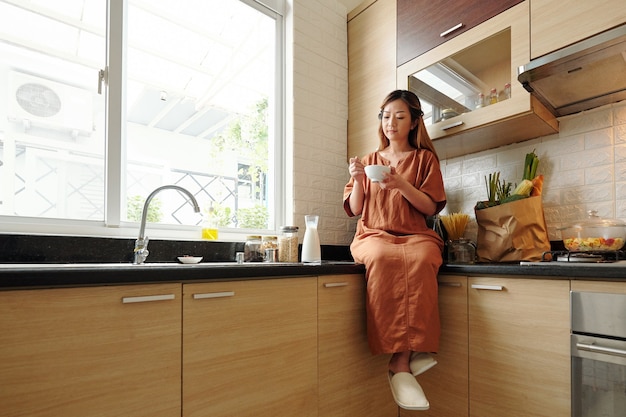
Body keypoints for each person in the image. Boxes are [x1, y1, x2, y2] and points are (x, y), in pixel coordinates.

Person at [342, 90, 446, 411]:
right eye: (386, 116)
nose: (392, 123)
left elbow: (430, 207)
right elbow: (356, 208)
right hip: (374, 232)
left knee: (423, 257)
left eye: (400, 117)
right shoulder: (369, 160)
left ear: (414, 122)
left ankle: (400, 360)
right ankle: (408, 355)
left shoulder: (425, 159)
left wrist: (401, 184)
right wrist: (358, 179)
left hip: (415, 233)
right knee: (383, 258)